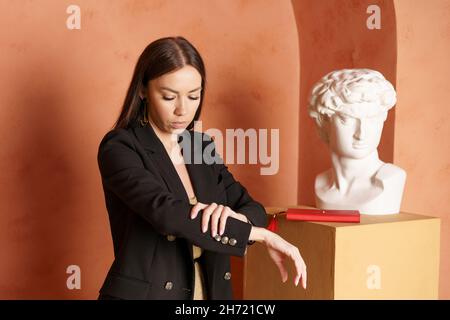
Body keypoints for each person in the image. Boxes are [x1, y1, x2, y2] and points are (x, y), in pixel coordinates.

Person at [97, 36, 307, 300]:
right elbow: (166, 213)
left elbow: (250, 207)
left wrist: (235, 218)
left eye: (193, 96)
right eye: (168, 96)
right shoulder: (120, 147)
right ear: (143, 91)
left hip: (210, 290)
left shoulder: (199, 145)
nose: (182, 110)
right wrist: (258, 235)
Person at [308, 69, 406, 215]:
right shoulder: (321, 183)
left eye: (372, 120)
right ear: (324, 122)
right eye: (347, 120)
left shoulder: (391, 180)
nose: (361, 133)